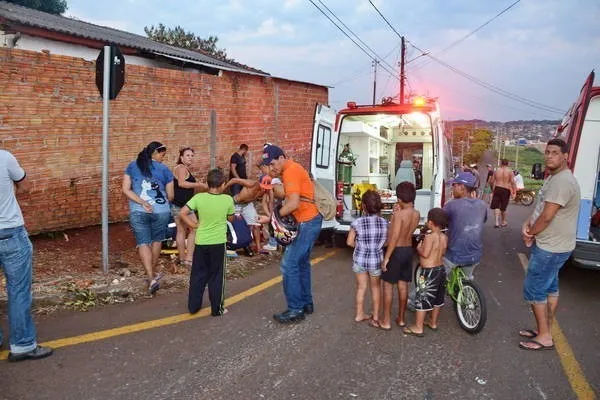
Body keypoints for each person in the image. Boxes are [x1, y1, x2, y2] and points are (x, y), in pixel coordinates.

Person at [519, 139, 580, 351]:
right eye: (547, 152)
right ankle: (545, 329)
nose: (549, 156)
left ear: (566, 156)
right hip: (554, 245)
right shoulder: (553, 178)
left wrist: (531, 233)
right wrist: (527, 223)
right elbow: (539, 209)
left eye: (555, 152)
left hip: (551, 248)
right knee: (550, 288)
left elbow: (546, 217)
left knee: (534, 289)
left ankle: (544, 336)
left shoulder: (562, 181)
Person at [0, 149, 53, 362]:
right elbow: (25, 185)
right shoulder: (4, 157)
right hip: (10, 231)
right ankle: (22, 345)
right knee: (19, 290)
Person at [261, 144, 323, 323]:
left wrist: (273, 218)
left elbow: (293, 203)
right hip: (310, 220)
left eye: (273, 163)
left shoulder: (290, 171)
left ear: (281, 158)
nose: (272, 168)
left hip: (306, 222)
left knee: (289, 265)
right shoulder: (292, 169)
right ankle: (306, 303)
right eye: (269, 165)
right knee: (302, 264)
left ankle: (295, 309)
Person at [179, 169, 235, 316]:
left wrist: (193, 225)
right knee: (216, 276)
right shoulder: (227, 200)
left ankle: (193, 307)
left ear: (208, 183)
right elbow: (230, 219)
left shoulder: (199, 198)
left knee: (198, 275)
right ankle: (217, 309)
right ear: (222, 184)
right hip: (218, 243)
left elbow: (182, 213)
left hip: (201, 241)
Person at [122, 141, 174, 294]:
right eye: (162, 155)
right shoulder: (165, 170)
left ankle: (150, 277)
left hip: (139, 210)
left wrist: (142, 202)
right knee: (157, 240)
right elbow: (171, 196)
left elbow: (126, 189)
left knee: (143, 242)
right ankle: (153, 275)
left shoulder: (132, 166)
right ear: (155, 153)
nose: (163, 159)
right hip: (161, 211)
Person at [379, 182, 420, 331]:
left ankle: (386, 321)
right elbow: (407, 231)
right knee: (403, 285)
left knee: (388, 285)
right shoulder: (416, 213)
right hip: (408, 250)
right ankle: (401, 319)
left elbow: (394, 237)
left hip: (396, 251)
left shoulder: (399, 214)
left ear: (400, 198)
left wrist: (386, 258)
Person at [404, 208, 449, 337]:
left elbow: (425, 253)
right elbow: (444, 252)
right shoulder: (444, 237)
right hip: (441, 270)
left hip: (429, 272)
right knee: (438, 298)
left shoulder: (429, 237)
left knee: (422, 298)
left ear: (430, 222)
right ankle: (433, 322)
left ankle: (418, 327)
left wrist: (419, 248)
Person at [346, 190, 388, 324]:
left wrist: (360, 246)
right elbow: (387, 242)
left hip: (360, 259)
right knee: (375, 288)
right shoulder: (384, 223)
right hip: (376, 260)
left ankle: (359, 314)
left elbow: (349, 242)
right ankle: (375, 316)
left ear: (363, 206)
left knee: (361, 287)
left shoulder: (357, 222)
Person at [443, 172, 487, 280]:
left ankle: (416, 296)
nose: (452, 188)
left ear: (462, 187)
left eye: (454, 185)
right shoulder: (482, 205)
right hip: (475, 255)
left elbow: (441, 222)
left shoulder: (451, 205)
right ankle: (466, 290)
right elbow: (483, 220)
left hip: (455, 255)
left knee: (436, 278)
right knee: (465, 280)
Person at [171, 147, 208, 267]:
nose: (190, 158)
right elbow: (182, 183)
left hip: (177, 204)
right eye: (187, 155)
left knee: (181, 231)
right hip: (184, 206)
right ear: (181, 157)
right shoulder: (181, 168)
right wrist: (199, 184)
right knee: (194, 229)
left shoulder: (182, 168)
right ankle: (189, 258)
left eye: (192, 155)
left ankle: (182, 259)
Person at [224, 174, 272, 255]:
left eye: (266, 187)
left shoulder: (265, 191)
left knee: (256, 224)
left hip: (248, 205)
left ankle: (258, 248)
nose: (264, 189)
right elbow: (234, 180)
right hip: (235, 204)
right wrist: (223, 189)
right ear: (258, 182)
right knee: (235, 225)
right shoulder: (251, 183)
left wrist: (270, 216)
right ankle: (230, 245)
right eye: (263, 186)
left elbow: (264, 203)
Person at [490, 158, 516, 228]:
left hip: (497, 188)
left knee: (496, 206)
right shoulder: (510, 171)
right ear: (508, 164)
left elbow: (492, 181)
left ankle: (496, 222)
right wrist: (514, 192)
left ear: (501, 163)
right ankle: (503, 222)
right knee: (503, 207)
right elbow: (513, 182)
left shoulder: (497, 170)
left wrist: (492, 188)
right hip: (506, 189)